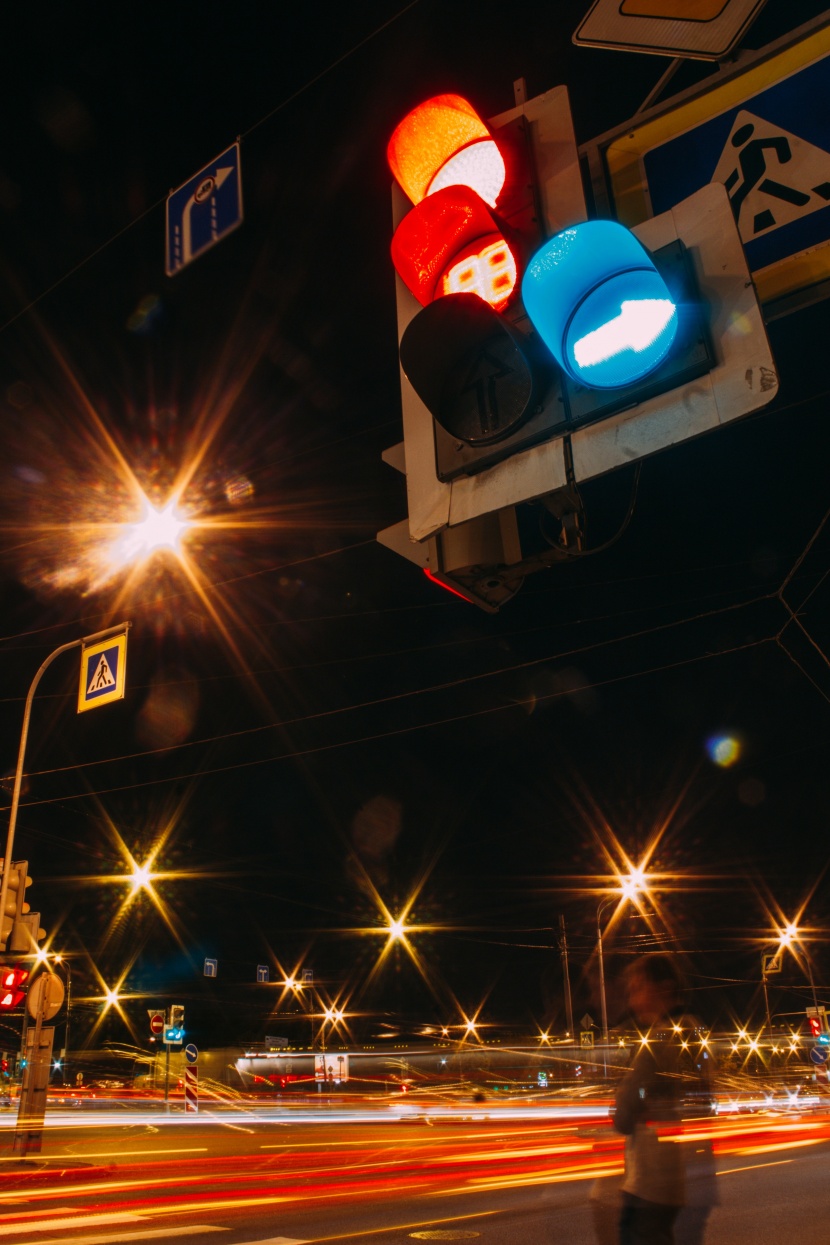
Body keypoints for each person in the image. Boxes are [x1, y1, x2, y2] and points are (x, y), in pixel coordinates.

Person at [612, 954, 708, 1245]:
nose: (632, 1000)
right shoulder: (696, 1032)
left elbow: (624, 1115)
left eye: (638, 988)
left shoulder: (661, 1039)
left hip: (650, 1182)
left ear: (664, 987)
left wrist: (628, 1103)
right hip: (685, 1180)